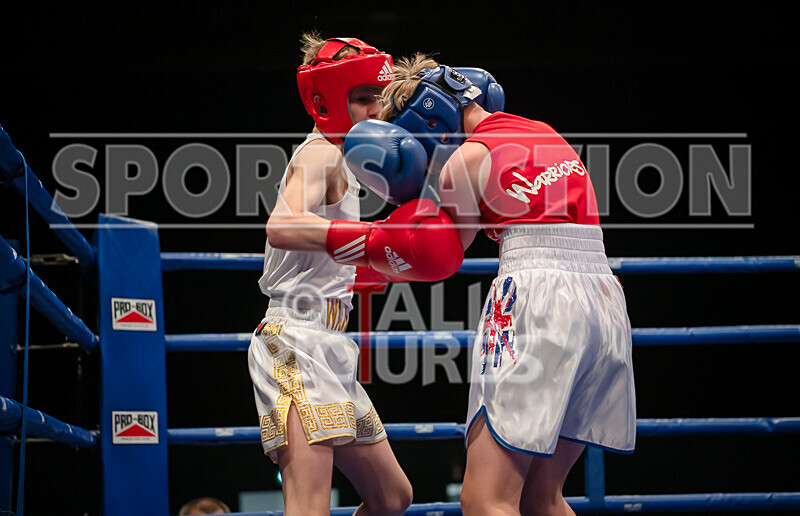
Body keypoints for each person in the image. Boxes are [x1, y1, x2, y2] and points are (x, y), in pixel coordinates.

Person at [347, 55, 636, 516]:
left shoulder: (462, 161)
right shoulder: (545, 130)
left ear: (427, 121)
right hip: (604, 301)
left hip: (537, 300)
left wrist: (373, 246)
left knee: (486, 499)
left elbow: (439, 253)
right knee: (543, 499)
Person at [248, 32, 423, 516]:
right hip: (295, 341)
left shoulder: (349, 162)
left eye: (377, 99)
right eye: (362, 99)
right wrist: (371, 240)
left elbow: (326, 251)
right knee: (308, 507)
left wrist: (376, 258)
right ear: (328, 102)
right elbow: (282, 225)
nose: (373, 110)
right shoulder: (320, 153)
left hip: (330, 343)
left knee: (392, 498)